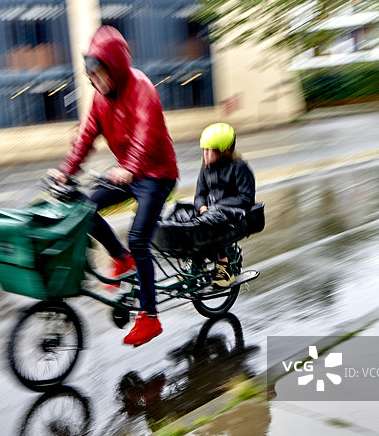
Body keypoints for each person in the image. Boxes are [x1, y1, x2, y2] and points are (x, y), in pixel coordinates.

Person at [48, 26, 178, 347]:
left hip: (156, 174)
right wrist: (66, 171)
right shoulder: (98, 98)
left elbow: (146, 136)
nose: (94, 80)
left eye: (99, 72)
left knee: (139, 238)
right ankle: (120, 256)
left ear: (114, 67)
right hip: (126, 173)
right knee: (84, 209)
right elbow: (85, 136)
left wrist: (130, 168)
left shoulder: (143, 89)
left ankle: (150, 317)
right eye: (90, 74)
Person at [194, 123, 255, 287]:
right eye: (204, 150)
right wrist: (202, 208)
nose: (205, 154)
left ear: (222, 151)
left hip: (232, 215)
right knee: (181, 216)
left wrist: (216, 208)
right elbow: (200, 194)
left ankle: (224, 267)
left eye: (209, 150)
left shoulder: (240, 168)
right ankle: (195, 260)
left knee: (214, 221)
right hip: (209, 213)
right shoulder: (206, 168)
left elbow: (246, 198)